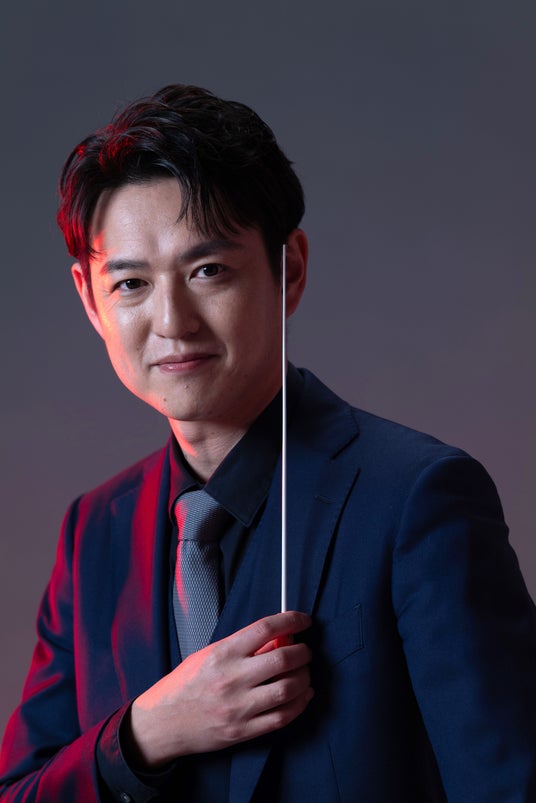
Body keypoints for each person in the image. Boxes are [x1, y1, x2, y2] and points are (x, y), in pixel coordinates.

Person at [0, 84, 535, 803]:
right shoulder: (93, 531)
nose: (172, 321)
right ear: (90, 300)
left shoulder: (418, 498)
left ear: (291, 270)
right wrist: (144, 733)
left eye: (208, 270)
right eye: (130, 283)